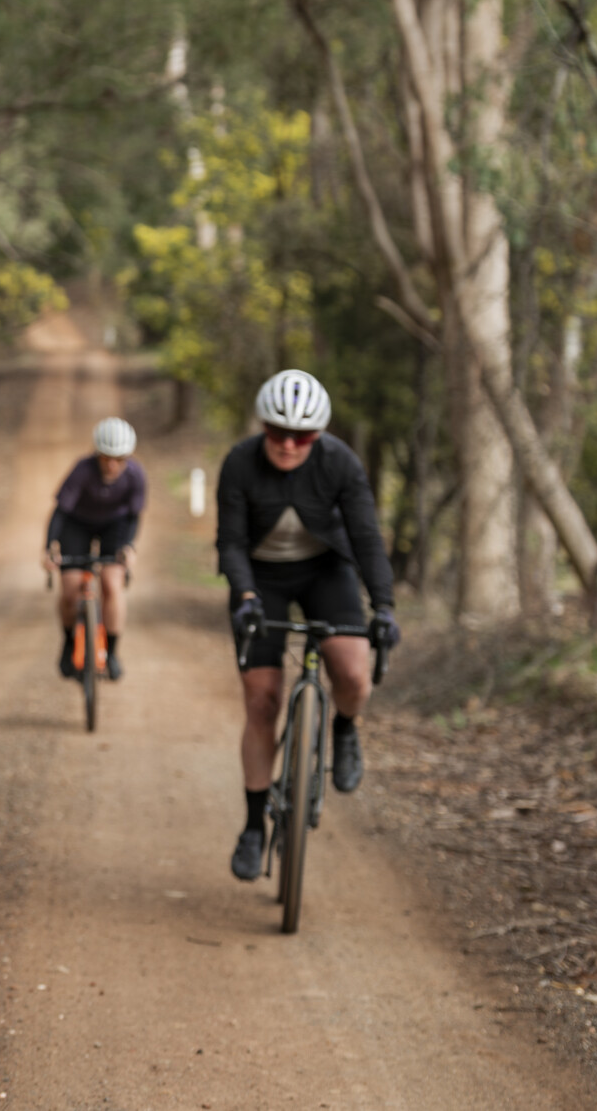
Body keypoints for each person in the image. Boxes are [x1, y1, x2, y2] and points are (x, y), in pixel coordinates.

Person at [216, 370, 399, 883]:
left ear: (318, 436)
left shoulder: (340, 462)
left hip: (326, 570)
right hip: (261, 578)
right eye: (277, 433)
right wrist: (246, 595)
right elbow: (230, 541)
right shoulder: (240, 463)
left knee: (353, 672)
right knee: (262, 700)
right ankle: (254, 827)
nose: (289, 445)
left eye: (302, 437)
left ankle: (344, 728)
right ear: (263, 428)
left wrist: (383, 606)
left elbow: (365, 537)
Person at [41, 416, 147, 680]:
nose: (112, 465)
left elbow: (134, 516)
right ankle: (67, 642)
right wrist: (49, 547)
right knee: (70, 587)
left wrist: (129, 546)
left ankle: (111, 652)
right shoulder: (82, 470)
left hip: (115, 526)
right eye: (106, 458)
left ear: (128, 457)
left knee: (112, 583)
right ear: (96, 454)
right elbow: (61, 511)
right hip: (77, 524)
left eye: (119, 459)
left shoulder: (136, 476)